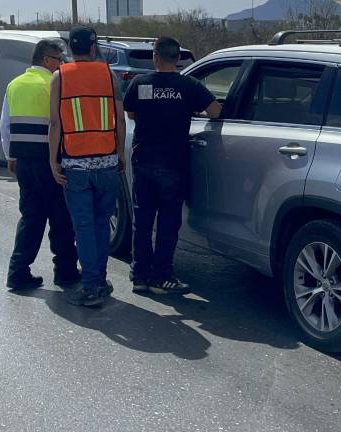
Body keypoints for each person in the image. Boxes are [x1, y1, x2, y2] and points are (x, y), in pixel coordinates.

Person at [122, 36, 221, 294]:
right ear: (177, 59)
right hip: (172, 164)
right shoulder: (188, 85)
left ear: (155, 57)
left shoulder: (140, 83)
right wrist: (190, 111)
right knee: (168, 223)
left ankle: (139, 276)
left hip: (143, 160)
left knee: (142, 221)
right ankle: (161, 275)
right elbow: (215, 111)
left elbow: (131, 113)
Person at [48, 27, 127, 307]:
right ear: (93, 48)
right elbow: (119, 118)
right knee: (101, 224)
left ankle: (91, 284)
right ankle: (100, 279)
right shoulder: (110, 75)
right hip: (106, 162)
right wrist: (119, 153)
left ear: (71, 47)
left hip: (75, 164)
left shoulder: (60, 76)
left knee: (83, 226)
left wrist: (52, 159)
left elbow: (55, 122)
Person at [0, 39, 79, 291]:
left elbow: (5, 125)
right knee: (61, 218)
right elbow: (62, 123)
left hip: (23, 162)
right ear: (47, 59)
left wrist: (10, 156)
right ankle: (65, 272)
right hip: (50, 162)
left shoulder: (15, 84)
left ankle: (18, 272)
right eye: (59, 59)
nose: (62, 64)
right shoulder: (54, 83)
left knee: (31, 218)